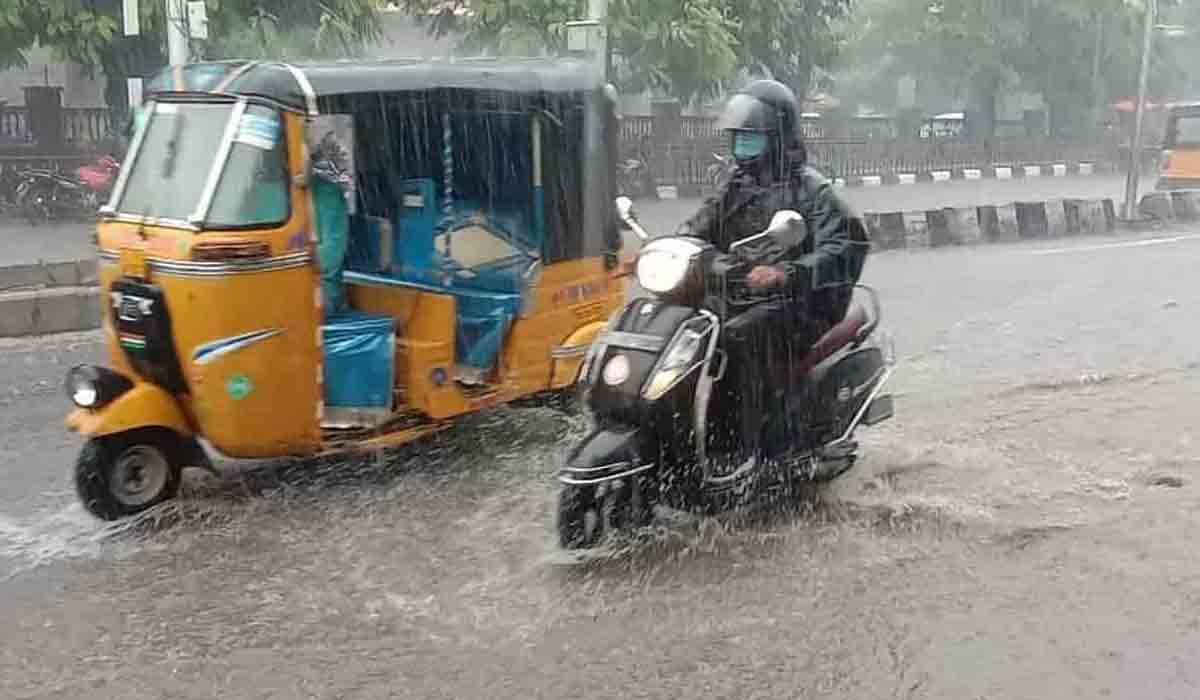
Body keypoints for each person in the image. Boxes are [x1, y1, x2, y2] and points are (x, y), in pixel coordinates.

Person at [675, 79, 869, 463]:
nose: (741, 146)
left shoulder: (812, 191)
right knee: (682, 325)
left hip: (802, 303)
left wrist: (789, 273)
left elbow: (846, 246)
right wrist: (668, 248)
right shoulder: (735, 185)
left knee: (737, 337)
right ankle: (680, 431)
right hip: (742, 292)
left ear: (778, 137)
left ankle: (747, 450)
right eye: (737, 137)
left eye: (751, 137)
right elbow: (698, 226)